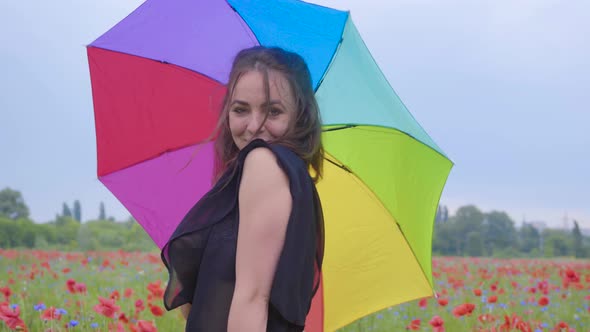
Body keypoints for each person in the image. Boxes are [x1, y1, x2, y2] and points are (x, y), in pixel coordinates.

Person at [161, 46, 325, 332]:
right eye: (240, 110)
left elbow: (252, 299)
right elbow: (202, 309)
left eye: (273, 111)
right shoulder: (273, 178)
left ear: (299, 116)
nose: (253, 126)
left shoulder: (263, 163)